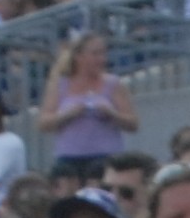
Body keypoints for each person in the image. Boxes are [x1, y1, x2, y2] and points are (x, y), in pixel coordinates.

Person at [42, 29, 142, 166]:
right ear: (78, 56)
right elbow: (44, 123)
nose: (102, 59)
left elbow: (133, 124)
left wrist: (112, 115)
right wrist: (68, 115)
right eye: (95, 54)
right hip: (69, 158)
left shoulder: (113, 84)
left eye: (103, 53)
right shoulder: (60, 85)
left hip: (106, 156)